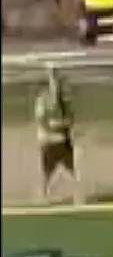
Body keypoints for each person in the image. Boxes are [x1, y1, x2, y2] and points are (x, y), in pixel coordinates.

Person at [34, 74, 79, 205]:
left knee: (73, 171)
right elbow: (43, 122)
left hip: (62, 142)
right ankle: (43, 196)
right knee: (47, 174)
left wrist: (64, 124)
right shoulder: (42, 102)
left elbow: (70, 120)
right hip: (50, 142)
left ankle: (77, 196)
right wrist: (60, 125)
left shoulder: (64, 102)